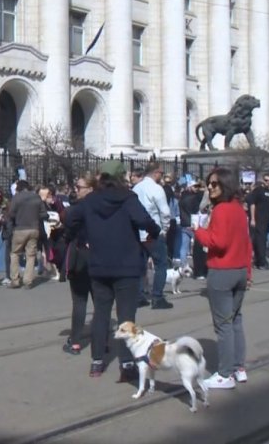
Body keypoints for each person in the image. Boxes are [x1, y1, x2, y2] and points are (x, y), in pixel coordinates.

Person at [64, 160, 159, 379]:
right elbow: (144, 220)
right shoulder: (128, 198)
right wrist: (154, 231)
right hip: (126, 265)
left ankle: (97, 362)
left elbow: (70, 218)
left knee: (101, 314)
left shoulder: (90, 201)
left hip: (99, 265)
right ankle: (127, 364)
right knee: (127, 315)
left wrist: (79, 236)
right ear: (119, 177)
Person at [193, 167, 253, 389]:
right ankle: (238, 368)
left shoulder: (221, 210)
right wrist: (247, 272)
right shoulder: (239, 209)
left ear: (225, 185)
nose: (209, 187)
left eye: (214, 184)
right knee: (235, 320)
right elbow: (246, 243)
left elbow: (217, 242)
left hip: (222, 271)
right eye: (209, 184)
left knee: (224, 325)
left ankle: (225, 373)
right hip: (238, 270)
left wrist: (198, 231)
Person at [132, 162, 173, 310]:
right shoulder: (156, 189)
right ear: (155, 173)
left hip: (138, 232)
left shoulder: (136, 188)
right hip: (153, 232)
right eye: (161, 174)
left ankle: (139, 295)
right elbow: (165, 212)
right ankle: (157, 297)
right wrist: (165, 229)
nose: (161, 177)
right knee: (160, 264)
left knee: (140, 265)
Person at [62, 175, 95, 355]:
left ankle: (75, 342)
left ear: (90, 188)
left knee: (80, 300)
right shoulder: (103, 206)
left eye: (79, 186)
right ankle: (101, 340)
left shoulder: (80, 207)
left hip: (81, 257)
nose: (76, 189)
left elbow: (68, 224)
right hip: (100, 257)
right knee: (100, 301)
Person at [8, 180, 48, 289]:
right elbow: (44, 214)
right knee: (31, 255)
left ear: (19, 188)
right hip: (34, 228)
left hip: (20, 228)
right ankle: (28, 280)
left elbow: (11, 213)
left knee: (15, 253)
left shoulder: (17, 197)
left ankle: (15, 280)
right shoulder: (36, 197)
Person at [246, 174, 269, 269]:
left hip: (266, 220)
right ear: (262, 180)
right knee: (260, 241)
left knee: (261, 240)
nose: (268, 182)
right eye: (266, 180)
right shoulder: (258, 191)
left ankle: (258, 261)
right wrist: (253, 218)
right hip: (258, 219)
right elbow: (252, 205)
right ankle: (262, 262)